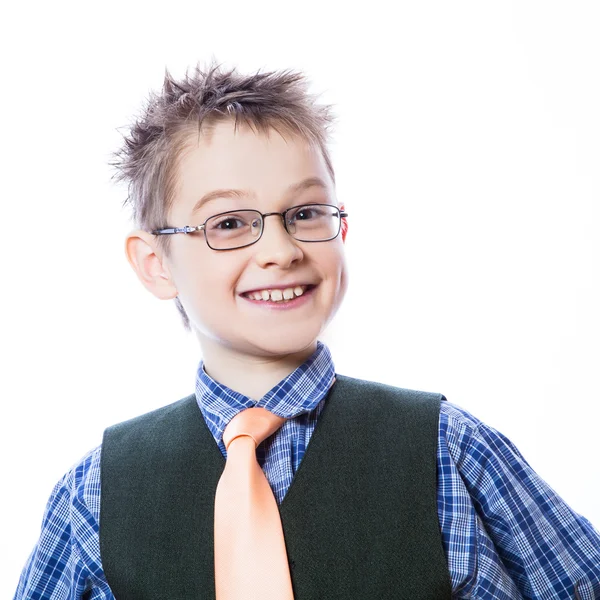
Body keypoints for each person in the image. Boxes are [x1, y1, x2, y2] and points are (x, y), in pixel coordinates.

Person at [14, 62, 600, 600]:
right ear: (155, 264)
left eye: (306, 213)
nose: (280, 249)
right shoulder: (97, 494)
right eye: (230, 223)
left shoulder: (447, 449)